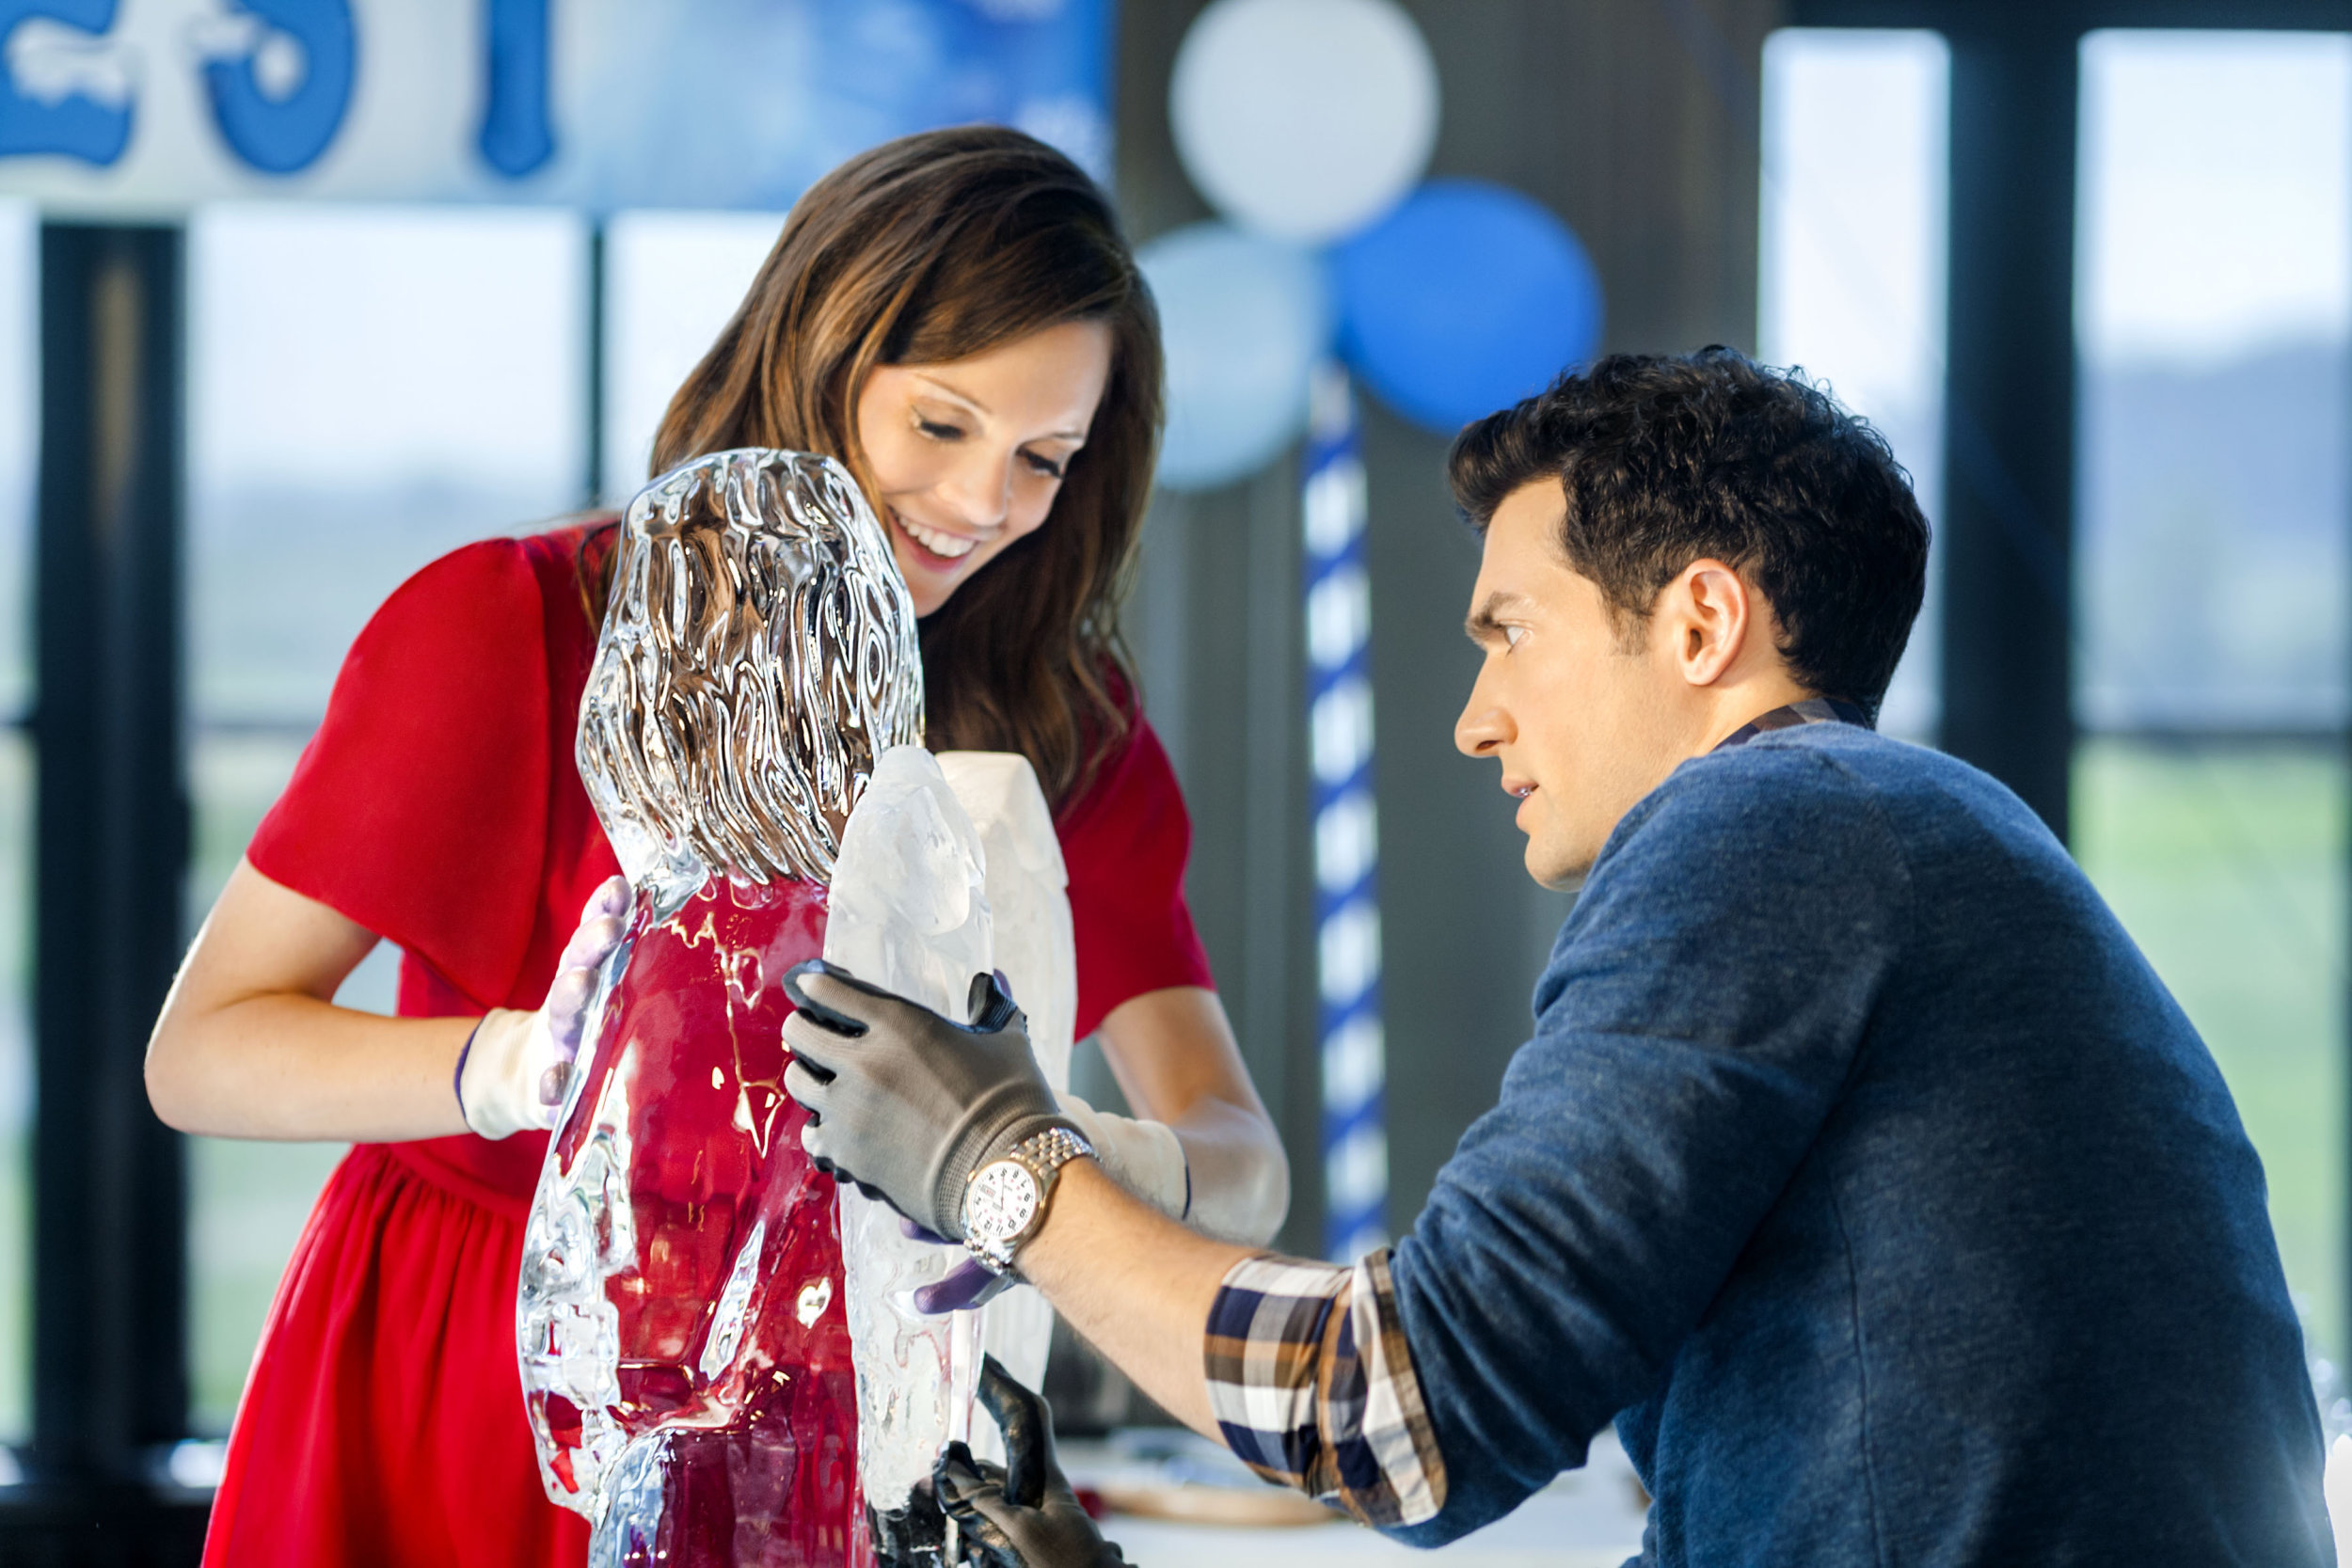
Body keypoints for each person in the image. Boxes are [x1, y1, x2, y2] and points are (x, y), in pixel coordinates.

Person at [781, 348, 2335, 1565]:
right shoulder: (1908, 835)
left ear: (1702, 622)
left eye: (1509, 629)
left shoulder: (1776, 827)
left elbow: (1402, 1414)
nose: (1476, 716)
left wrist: (1002, 1161)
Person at [144, 125, 1288, 1565]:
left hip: (842, 1416)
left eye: (1043, 459)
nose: (986, 505)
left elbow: (1240, 1161)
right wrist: (508, 1069)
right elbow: (201, 1054)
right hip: (476, 1379)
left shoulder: (1062, 726)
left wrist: (1056, 1154)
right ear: (815, 357)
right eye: (941, 427)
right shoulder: (508, 634)